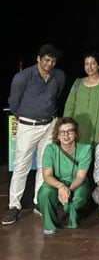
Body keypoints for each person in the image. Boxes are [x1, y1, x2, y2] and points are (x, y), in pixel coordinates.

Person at [4, 43, 65, 225]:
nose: (50, 64)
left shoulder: (59, 76)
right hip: (28, 125)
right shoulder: (23, 77)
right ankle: (14, 206)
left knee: (44, 165)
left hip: (49, 124)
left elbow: (57, 96)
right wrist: (28, 116)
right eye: (46, 60)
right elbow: (14, 103)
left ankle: (39, 203)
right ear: (38, 59)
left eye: (53, 60)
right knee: (21, 166)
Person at [36, 117, 92, 235]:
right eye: (62, 132)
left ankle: (75, 217)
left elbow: (80, 177)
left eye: (70, 131)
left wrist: (68, 190)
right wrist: (61, 186)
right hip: (56, 182)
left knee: (75, 202)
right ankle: (50, 225)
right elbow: (47, 175)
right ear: (57, 135)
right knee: (44, 193)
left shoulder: (85, 149)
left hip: (76, 183)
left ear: (76, 134)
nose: (66, 135)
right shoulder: (50, 149)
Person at [63, 51, 99, 146]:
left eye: (93, 63)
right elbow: (69, 107)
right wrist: (66, 127)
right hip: (79, 128)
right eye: (87, 64)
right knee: (80, 157)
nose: (89, 67)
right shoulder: (78, 83)